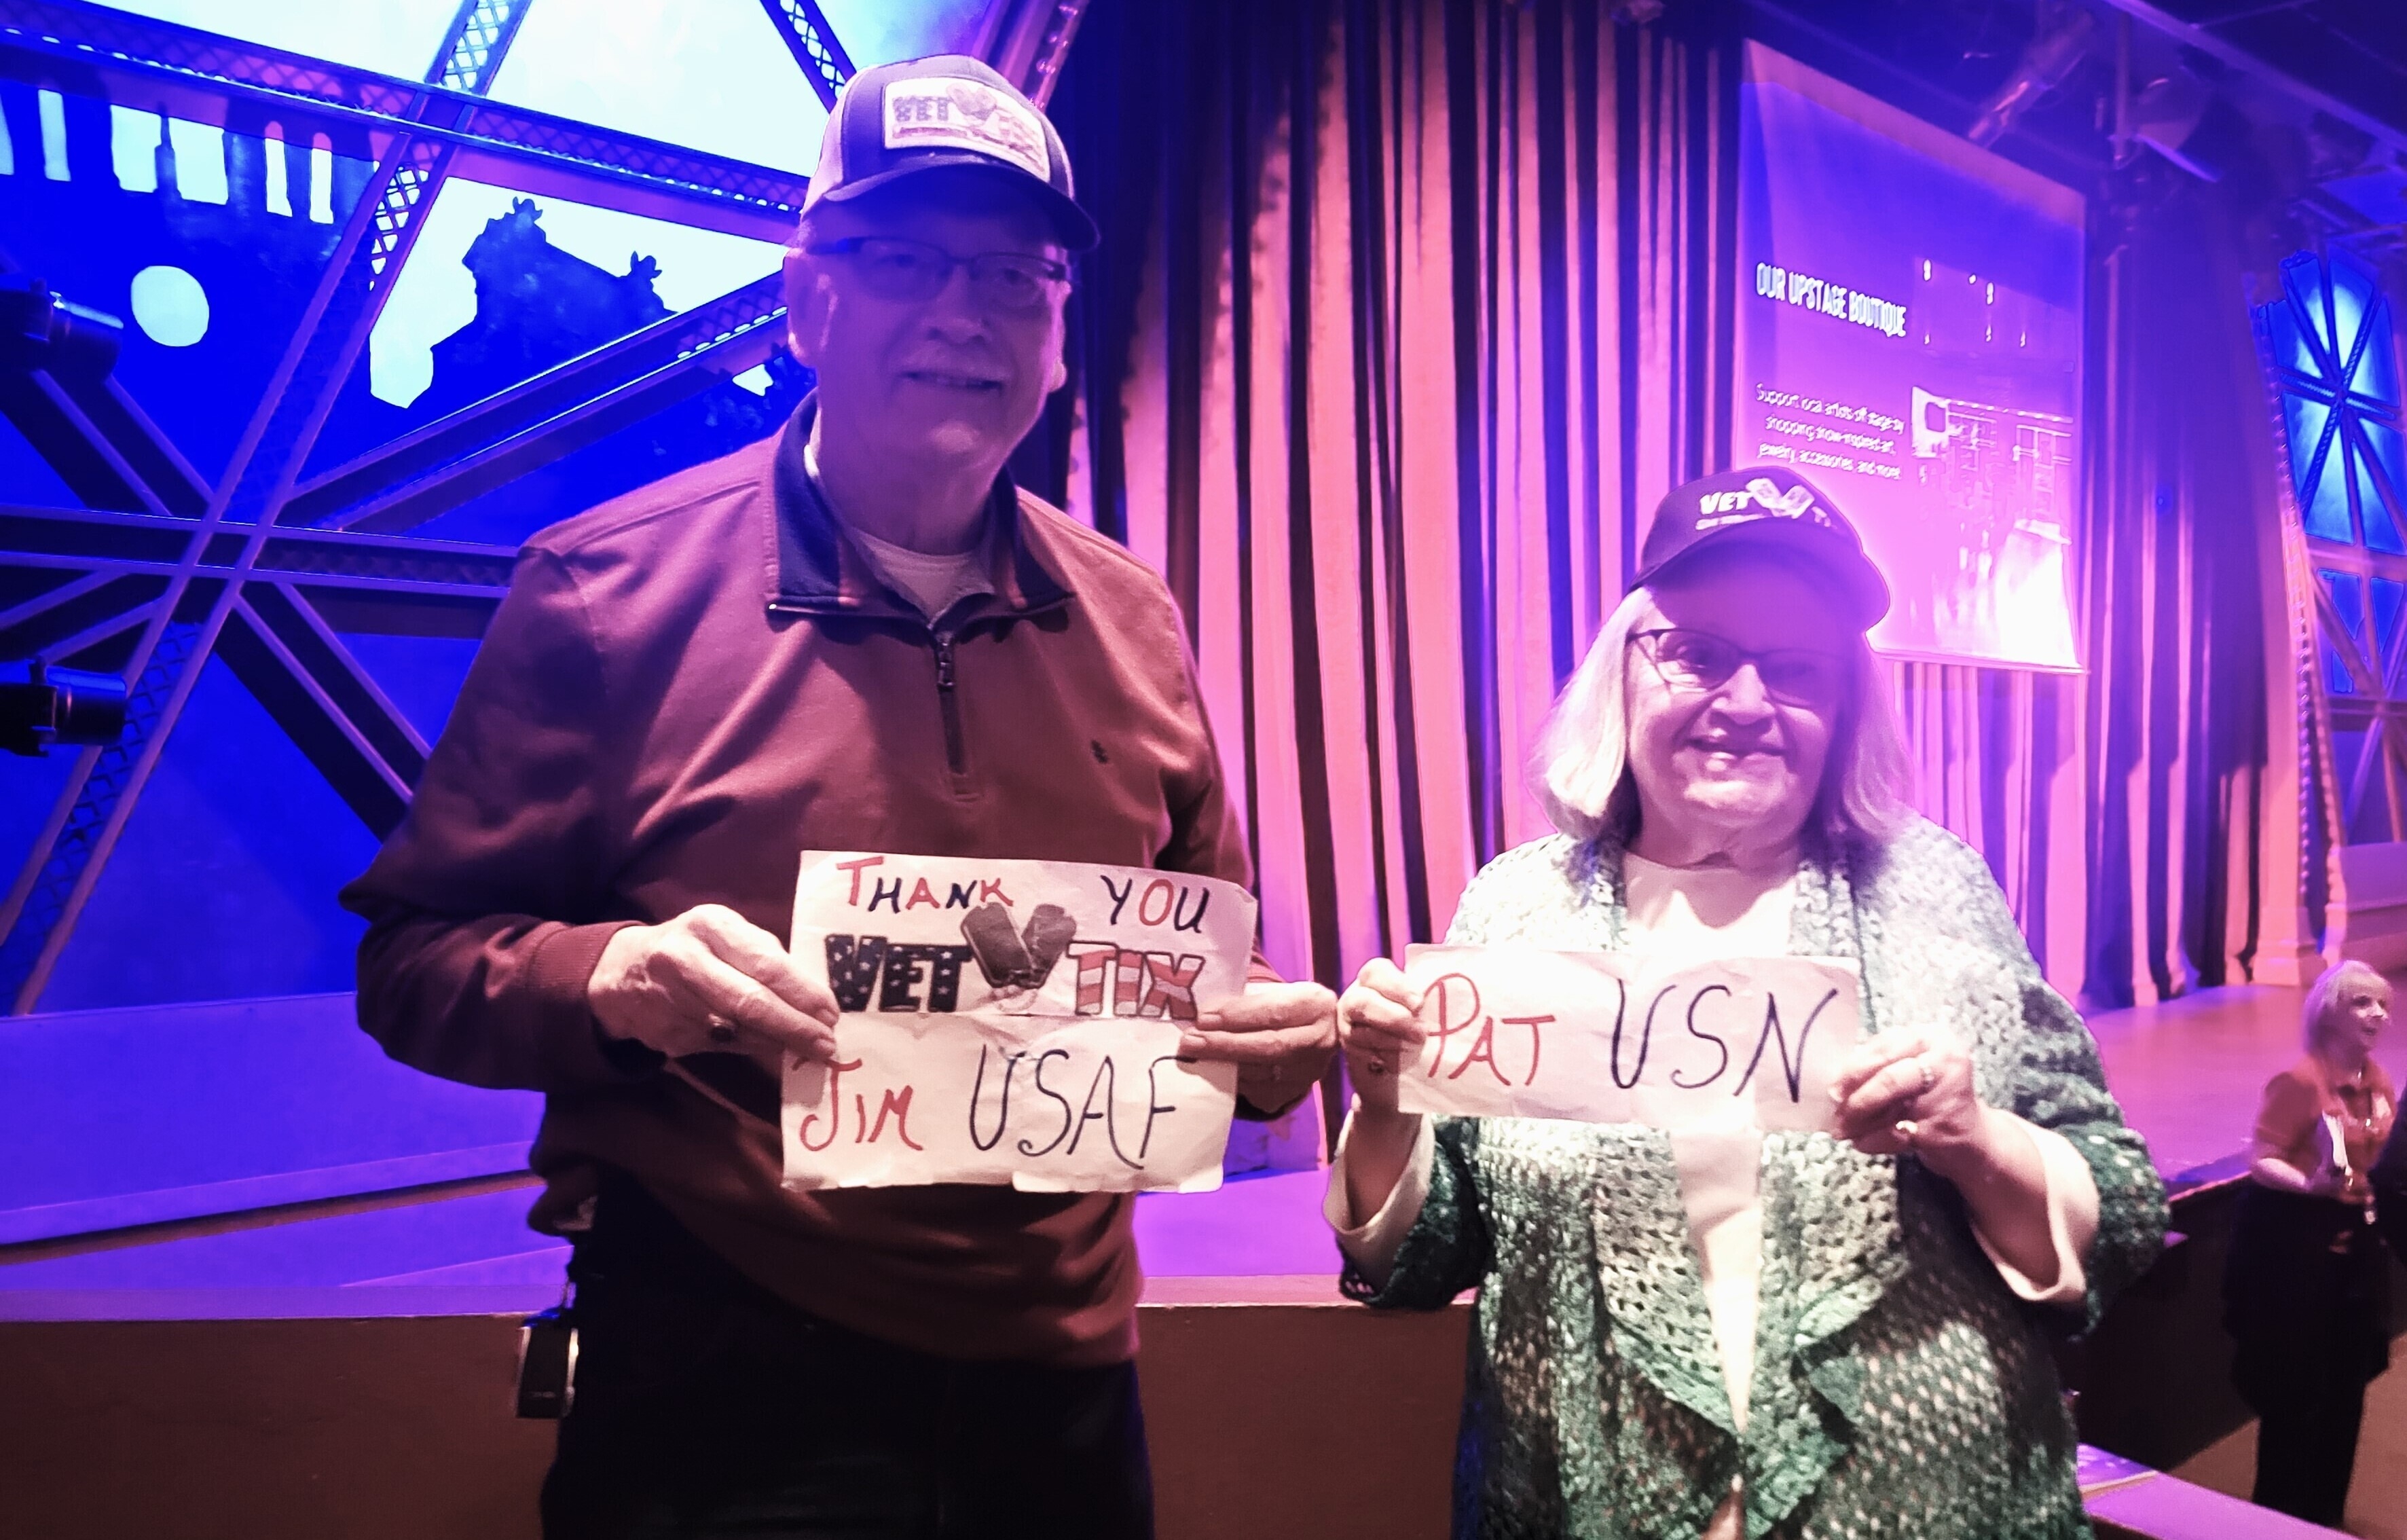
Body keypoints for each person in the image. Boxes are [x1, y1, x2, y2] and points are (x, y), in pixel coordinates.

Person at [342, 55, 1335, 1540]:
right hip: (724, 1377)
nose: (962, 314)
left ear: (1057, 333)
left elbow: (1205, 973)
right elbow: (416, 964)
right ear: (808, 301)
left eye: (1012, 276)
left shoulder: (1135, 616)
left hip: (1065, 1391)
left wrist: (1271, 1042)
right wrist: (613, 974)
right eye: (906, 262)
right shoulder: (603, 590)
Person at [1327, 467, 2168, 1539]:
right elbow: (1425, 1253)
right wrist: (1386, 1104)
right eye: (1698, 655)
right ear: (1623, 673)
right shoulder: (1515, 904)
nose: (1745, 704)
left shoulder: (1938, 889)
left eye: (1797, 669)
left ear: (1846, 705)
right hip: (1580, 1505)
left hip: (1928, 1507)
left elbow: (2118, 1208)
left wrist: (1976, 1141)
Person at [2222, 959, 2397, 1527]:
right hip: (2298, 1260)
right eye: (2362, 1003)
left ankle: (2326, 1520)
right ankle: (2276, 1522)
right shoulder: (2299, 1082)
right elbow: (2260, 1160)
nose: (2378, 1014)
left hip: (2354, 1264)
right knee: (2294, 1400)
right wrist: (2309, 1186)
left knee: (2346, 1397)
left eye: (2382, 1004)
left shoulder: (2378, 1082)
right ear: (2328, 1012)